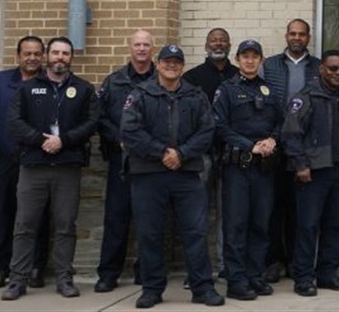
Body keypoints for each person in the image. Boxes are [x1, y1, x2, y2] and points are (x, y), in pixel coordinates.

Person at [121, 43, 224, 309]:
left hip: (186, 173)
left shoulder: (195, 95)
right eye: (167, 61)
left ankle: (202, 288)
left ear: (182, 66)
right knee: (150, 234)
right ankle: (152, 289)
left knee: (195, 233)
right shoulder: (140, 94)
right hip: (148, 174)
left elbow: (207, 131)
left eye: (177, 62)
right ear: (158, 64)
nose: (172, 65)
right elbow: (130, 131)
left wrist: (182, 153)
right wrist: (162, 152)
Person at [0, 37, 99, 301]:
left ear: (71, 58)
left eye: (65, 53)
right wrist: (40, 140)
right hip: (33, 165)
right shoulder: (28, 88)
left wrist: (63, 140)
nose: (60, 58)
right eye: (55, 52)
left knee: (66, 225)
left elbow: (91, 122)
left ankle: (65, 279)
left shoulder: (83, 89)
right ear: (47, 56)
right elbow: (14, 122)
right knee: (25, 224)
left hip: (67, 166)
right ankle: (18, 280)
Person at [281, 49, 339, 298]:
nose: (338, 73)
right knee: (308, 226)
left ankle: (327, 273)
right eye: (333, 68)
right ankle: (304, 277)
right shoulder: (307, 96)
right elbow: (290, 134)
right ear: (322, 69)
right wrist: (301, 165)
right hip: (313, 173)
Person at [0, 35, 50, 290]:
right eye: (27, 53)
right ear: (18, 55)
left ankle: (35, 268)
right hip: (8, 158)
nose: (32, 58)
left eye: (37, 54)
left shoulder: (49, 83)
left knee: (37, 217)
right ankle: (0, 268)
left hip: (39, 159)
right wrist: (3, 140)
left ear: (43, 56)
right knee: (6, 213)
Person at [213, 39, 282, 301]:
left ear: (261, 60)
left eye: (255, 56)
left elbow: (280, 122)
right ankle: (236, 280)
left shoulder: (269, 90)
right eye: (245, 56)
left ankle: (255, 276)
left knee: (260, 225)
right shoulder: (227, 90)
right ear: (238, 60)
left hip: (264, 169)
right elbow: (219, 127)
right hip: (237, 168)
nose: (250, 61)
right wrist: (249, 145)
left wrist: (273, 140)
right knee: (236, 226)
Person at [94, 29, 155, 293]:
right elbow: (99, 116)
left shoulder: (162, 79)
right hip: (121, 160)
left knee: (151, 219)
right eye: (137, 44)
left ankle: (147, 271)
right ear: (130, 48)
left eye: (146, 45)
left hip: (152, 161)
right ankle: (108, 273)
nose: (141, 49)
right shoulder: (113, 81)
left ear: (152, 49)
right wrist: (120, 138)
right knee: (116, 218)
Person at [260, 18, 320, 282]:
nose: (297, 38)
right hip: (274, 146)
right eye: (293, 34)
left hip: (305, 149)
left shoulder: (318, 67)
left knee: (300, 209)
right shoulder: (269, 65)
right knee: (272, 208)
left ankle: (297, 262)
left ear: (308, 38)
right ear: (286, 36)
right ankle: (273, 261)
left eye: (302, 34)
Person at [184, 27, 237, 279]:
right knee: (197, 214)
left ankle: (226, 266)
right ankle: (196, 270)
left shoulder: (238, 76)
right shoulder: (192, 77)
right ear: (206, 44)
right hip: (201, 155)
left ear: (230, 45)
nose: (218, 44)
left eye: (223, 40)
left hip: (230, 154)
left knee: (229, 214)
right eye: (214, 40)